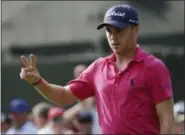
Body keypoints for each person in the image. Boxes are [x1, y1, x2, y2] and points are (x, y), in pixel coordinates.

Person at [20, 4, 174, 134]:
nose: (113, 37)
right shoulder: (98, 67)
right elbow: (64, 96)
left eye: (119, 30)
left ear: (135, 29)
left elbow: (167, 121)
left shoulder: (154, 67)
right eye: (109, 31)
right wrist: (38, 82)